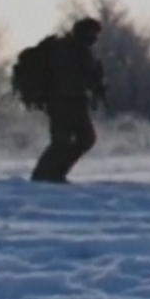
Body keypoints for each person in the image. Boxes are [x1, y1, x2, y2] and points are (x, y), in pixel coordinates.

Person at [29, 17, 106, 183]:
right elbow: (70, 78)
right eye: (94, 34)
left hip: (74, 102)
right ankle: (43, 175)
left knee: (84, 139)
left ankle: (55, 173)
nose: (95, 39)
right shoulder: (67, 50)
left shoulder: (80, 50)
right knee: (62, 141)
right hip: (62, 102)